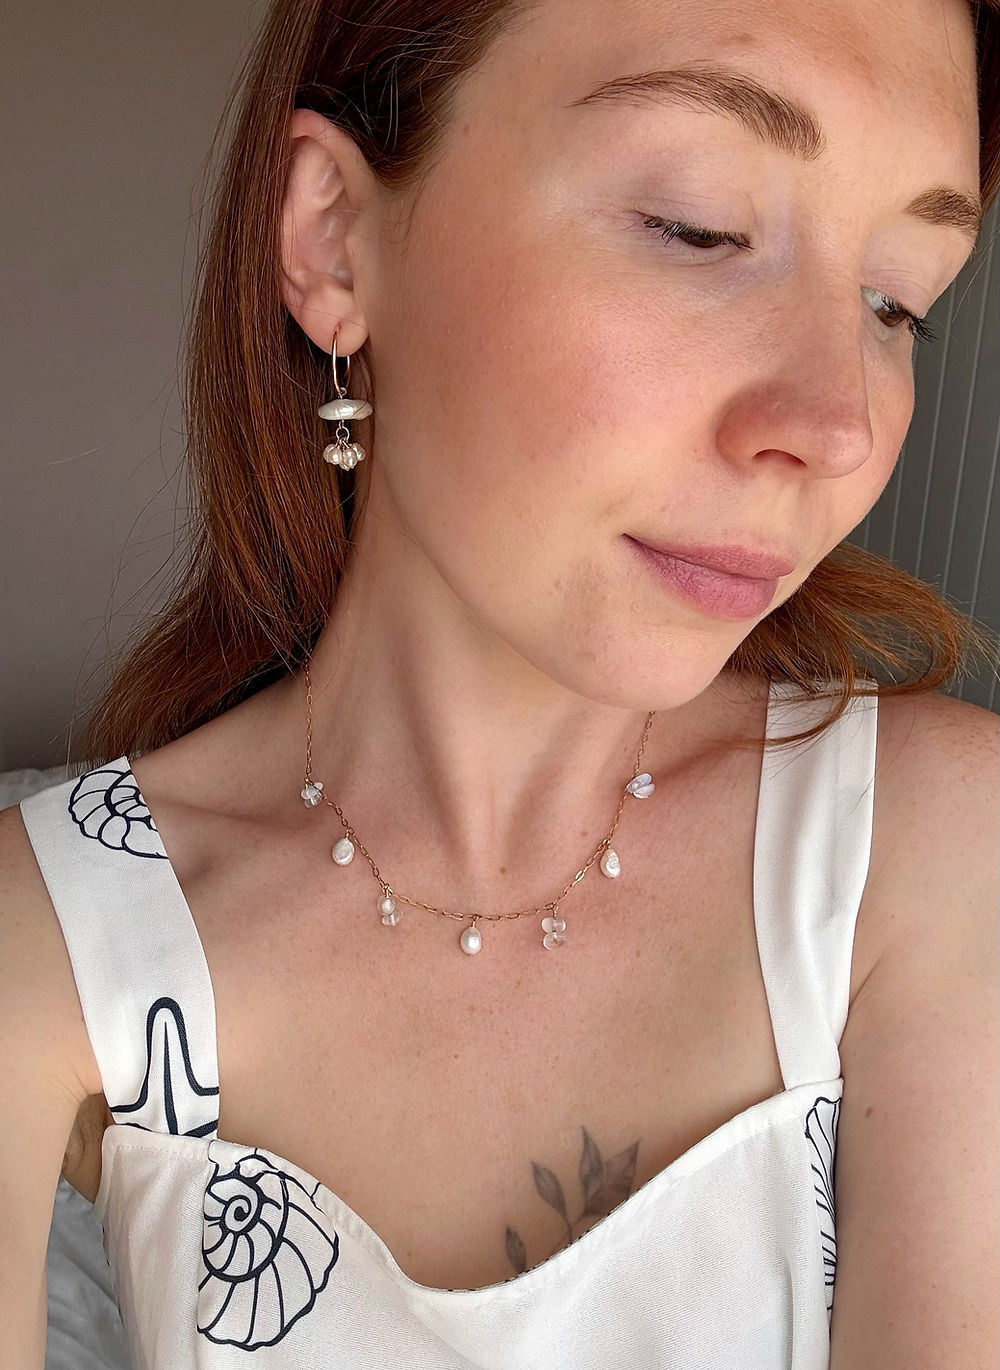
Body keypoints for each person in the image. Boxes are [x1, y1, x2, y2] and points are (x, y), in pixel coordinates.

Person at [2, 0, 998, 1365]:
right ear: (333, 238)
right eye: (697, 226)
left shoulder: (933, 851)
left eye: (897, 303)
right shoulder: (49, 942)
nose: (837, 424)